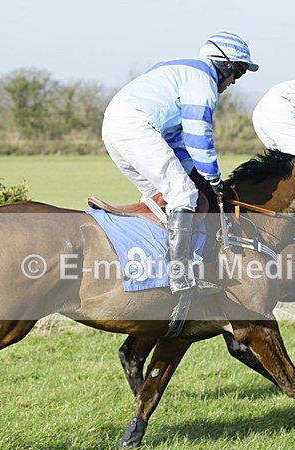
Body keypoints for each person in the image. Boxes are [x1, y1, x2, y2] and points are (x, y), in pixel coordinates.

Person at [102, 31, 258, 294]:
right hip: (136, 125)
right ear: (225, 64)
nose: (234, 81)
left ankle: (154, 269)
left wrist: (193, 170)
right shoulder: (203, 81)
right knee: (183, 194)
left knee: (160, 197)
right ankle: (180, 274)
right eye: (238, 72)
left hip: (116, 125)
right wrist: (214, 178)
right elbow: (199, 136)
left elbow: (174, 137)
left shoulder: (180, 70)